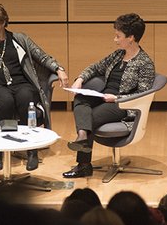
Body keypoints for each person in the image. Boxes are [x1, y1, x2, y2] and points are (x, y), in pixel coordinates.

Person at [0, 3, 69, 171]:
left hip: (20, 84)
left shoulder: (20, 39)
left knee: (26, 97)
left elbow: (42, 56)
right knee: (4, 99)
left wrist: (59, 69)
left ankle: (32, 150)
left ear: (3, 22)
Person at [63, 13, 155, 178]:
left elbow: (142, 94)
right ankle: (82, 136)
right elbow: (96, 67)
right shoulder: (118, 54)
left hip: (122, 105)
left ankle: (84, 164)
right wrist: (80, 79)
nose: (115, 39)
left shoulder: (145, 63)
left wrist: (117, 99)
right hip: (103, 96)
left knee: (88, 116)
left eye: (118, 36)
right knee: (80, 99)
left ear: (131, 38)